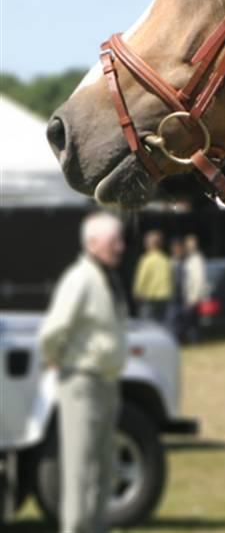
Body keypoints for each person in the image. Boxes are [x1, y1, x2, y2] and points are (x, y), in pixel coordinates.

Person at [39, 211, 127, 533]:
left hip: (106, 383)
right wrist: (54, 359)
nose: (120, 246)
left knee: (104, 467)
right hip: (82, 384)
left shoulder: (106, 277)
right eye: (113, 241)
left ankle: (95, 527)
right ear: (92, 243)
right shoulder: (80, 279)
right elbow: (53, 330)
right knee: (79, 469)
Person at [132, 230, 171, 324]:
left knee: (147, 324)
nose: (145, 244)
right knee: (162, 323)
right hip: (165, 297)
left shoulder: (146, 260)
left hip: (149, 297)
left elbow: (141, 278)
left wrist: (137, 293)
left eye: (146, 242)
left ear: (151, 244)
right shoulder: (166, 259)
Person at [182, 234, 207, 343]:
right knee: (192, 321)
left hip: (192, 296)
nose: (189, 246)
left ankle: (195, 341)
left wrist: (194, 297)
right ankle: (194, 340)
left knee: (192, 321)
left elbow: (198, 280)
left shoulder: (196, 259)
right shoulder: (188, 259)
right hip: (188, 296)